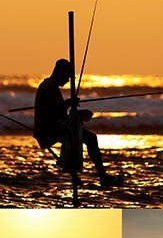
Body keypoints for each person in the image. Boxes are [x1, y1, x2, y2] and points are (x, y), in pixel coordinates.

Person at [33, 58, 112, 190]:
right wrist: (70, 107)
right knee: (90, 138)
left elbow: (57, 111)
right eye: (67, 76)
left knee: (82, 133)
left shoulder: (49, 85)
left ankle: (80, 175)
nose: (68, 80)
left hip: (51, 127)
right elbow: (55, 114)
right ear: (60, 73)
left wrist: (69, 105)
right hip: (48, 130)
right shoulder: (49, 88)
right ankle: (102, 176)